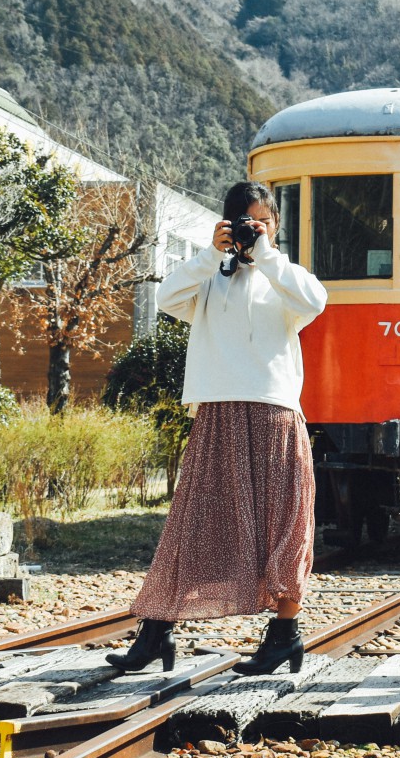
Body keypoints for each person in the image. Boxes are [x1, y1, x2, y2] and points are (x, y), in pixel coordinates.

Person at [109, 181, 327, 677]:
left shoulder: (283, 278)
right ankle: (156, 631)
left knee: (286, 525)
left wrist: (265, 254)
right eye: (245, 223)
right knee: (193, 524)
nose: (253, 231)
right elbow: (167, 297)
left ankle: (285, 635)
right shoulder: (211, 278)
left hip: (274, 413)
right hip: (218, 413)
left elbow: (315, 301)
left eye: (262, 222)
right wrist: (212, 253)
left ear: (275, 226)